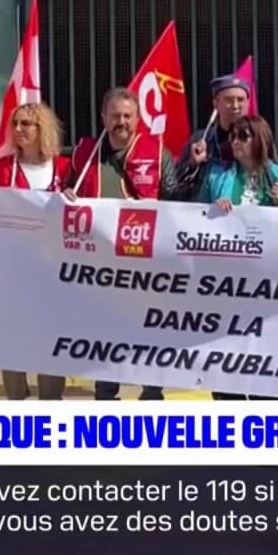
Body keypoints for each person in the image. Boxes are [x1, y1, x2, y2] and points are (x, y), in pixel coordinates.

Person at [63, 87, 184, 400]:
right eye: (115, 115)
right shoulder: (83, 153)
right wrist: (65, 196)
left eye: (127, 116)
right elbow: (61, 191)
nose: (121, 122)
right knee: (105, 330)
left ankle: (152, 392)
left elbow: (174, 202)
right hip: (101, 263)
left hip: (147, 262)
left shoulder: (158, 152)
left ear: (138, 118)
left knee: (150, 328)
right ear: (103, 117)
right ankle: (106, 392)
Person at [194, 114, 278, 401]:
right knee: (227, 358)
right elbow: (195, 216)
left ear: (261, 139)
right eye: (233, 136)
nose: (236, 142)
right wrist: (213, 207)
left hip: (269, 285)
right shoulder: (217, 175)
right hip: (227, 283)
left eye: (244, 136)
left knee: (265, 361)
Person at [0, 102, 72, 401]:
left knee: (51, 334)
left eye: (26, 123)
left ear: (42, 129)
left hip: (54, 268)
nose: (18, 129)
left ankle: (51, 400)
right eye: (15, 123)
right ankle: (16, 400)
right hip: (13, 267)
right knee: (13, 336)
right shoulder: (0, 168)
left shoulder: (64, 167)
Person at [174, 72, 251, 196]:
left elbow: (272, 173)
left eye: (240, 100)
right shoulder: (201, 140)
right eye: (229, 100)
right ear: (216, 103)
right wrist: (193, 164)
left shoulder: (258, 137)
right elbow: (175, 185)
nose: (236, 106)